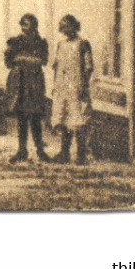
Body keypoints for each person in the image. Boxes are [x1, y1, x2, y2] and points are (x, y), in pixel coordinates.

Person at [4, 13, 51, 162]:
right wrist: (13, 56)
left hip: (35, 82)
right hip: (20, 82)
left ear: (34, 26)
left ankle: (40, 150)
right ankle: (21, 150)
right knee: (22, 117)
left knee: (36, 117)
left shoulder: (41, 43)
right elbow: (9, 62)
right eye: (22, 24)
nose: (24, 28)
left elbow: (43, 61)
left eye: (27, 24)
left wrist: (22, 58)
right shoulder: (15, 42)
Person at [50, 14, 95, 164]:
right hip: (63, 88)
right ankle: (64, 152)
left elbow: (88, 67)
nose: (64, 30)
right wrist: (55, 86)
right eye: (62, 27)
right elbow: (56, 66)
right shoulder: (61, 45)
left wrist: (84, 85)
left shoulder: (83, 44)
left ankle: (81, 155)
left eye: (67, 26)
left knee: (78, 121)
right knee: (64, 120)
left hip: (77, 87)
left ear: (75, 26)